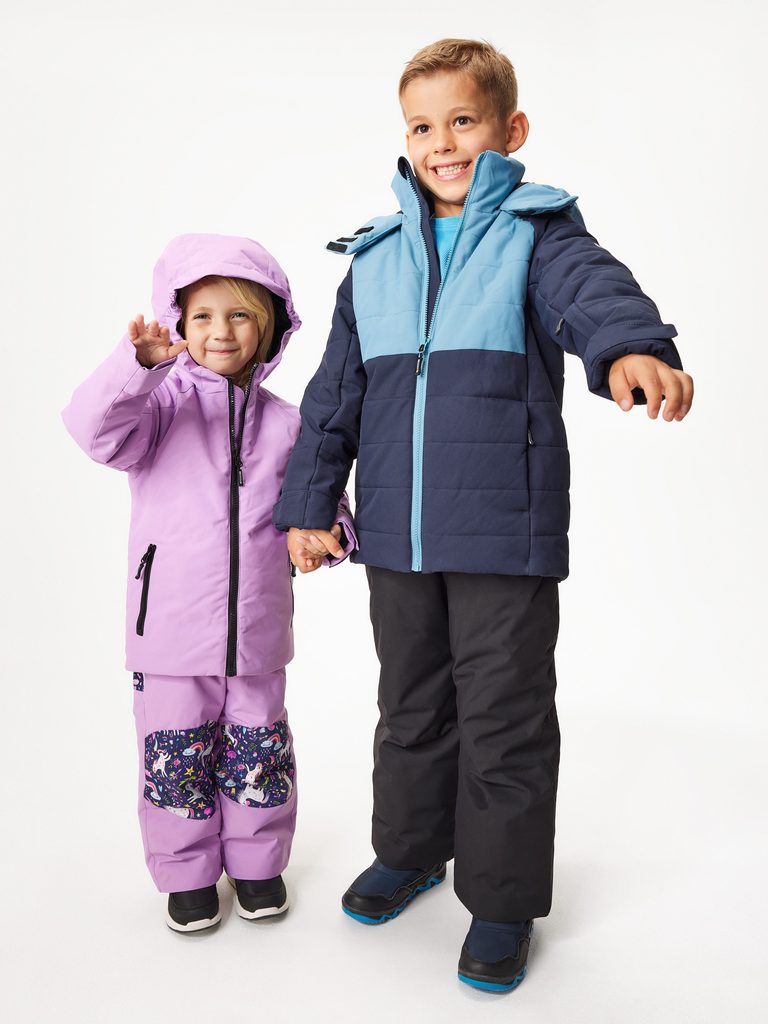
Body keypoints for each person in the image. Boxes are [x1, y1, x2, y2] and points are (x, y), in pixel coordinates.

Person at [272, 38, 693, 992]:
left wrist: (633, 348)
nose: (442, 143)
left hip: (506, 528)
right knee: (409, 706)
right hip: (395, 535)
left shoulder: (538, 235)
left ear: (511, 129)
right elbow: (333, 397)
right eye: (423, 127)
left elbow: (594, 293)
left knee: (504, 718)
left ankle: (502, 901)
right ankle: (412, 849)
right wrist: (309, 506)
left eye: (463, 120)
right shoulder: (372, 259)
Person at [62, 233, 354, 933]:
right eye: (202, 316)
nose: (221, 331)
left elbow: (320, 499)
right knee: (175, 757)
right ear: (178, 323)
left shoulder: (287, 423)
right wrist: (137, 367)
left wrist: (330, 535)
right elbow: (92, 431)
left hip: (257, 631)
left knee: (259, 751)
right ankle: (187, 875)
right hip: (168, 631)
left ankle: (258, 865)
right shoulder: (158, 409)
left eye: (240, 315)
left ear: (269, 327)